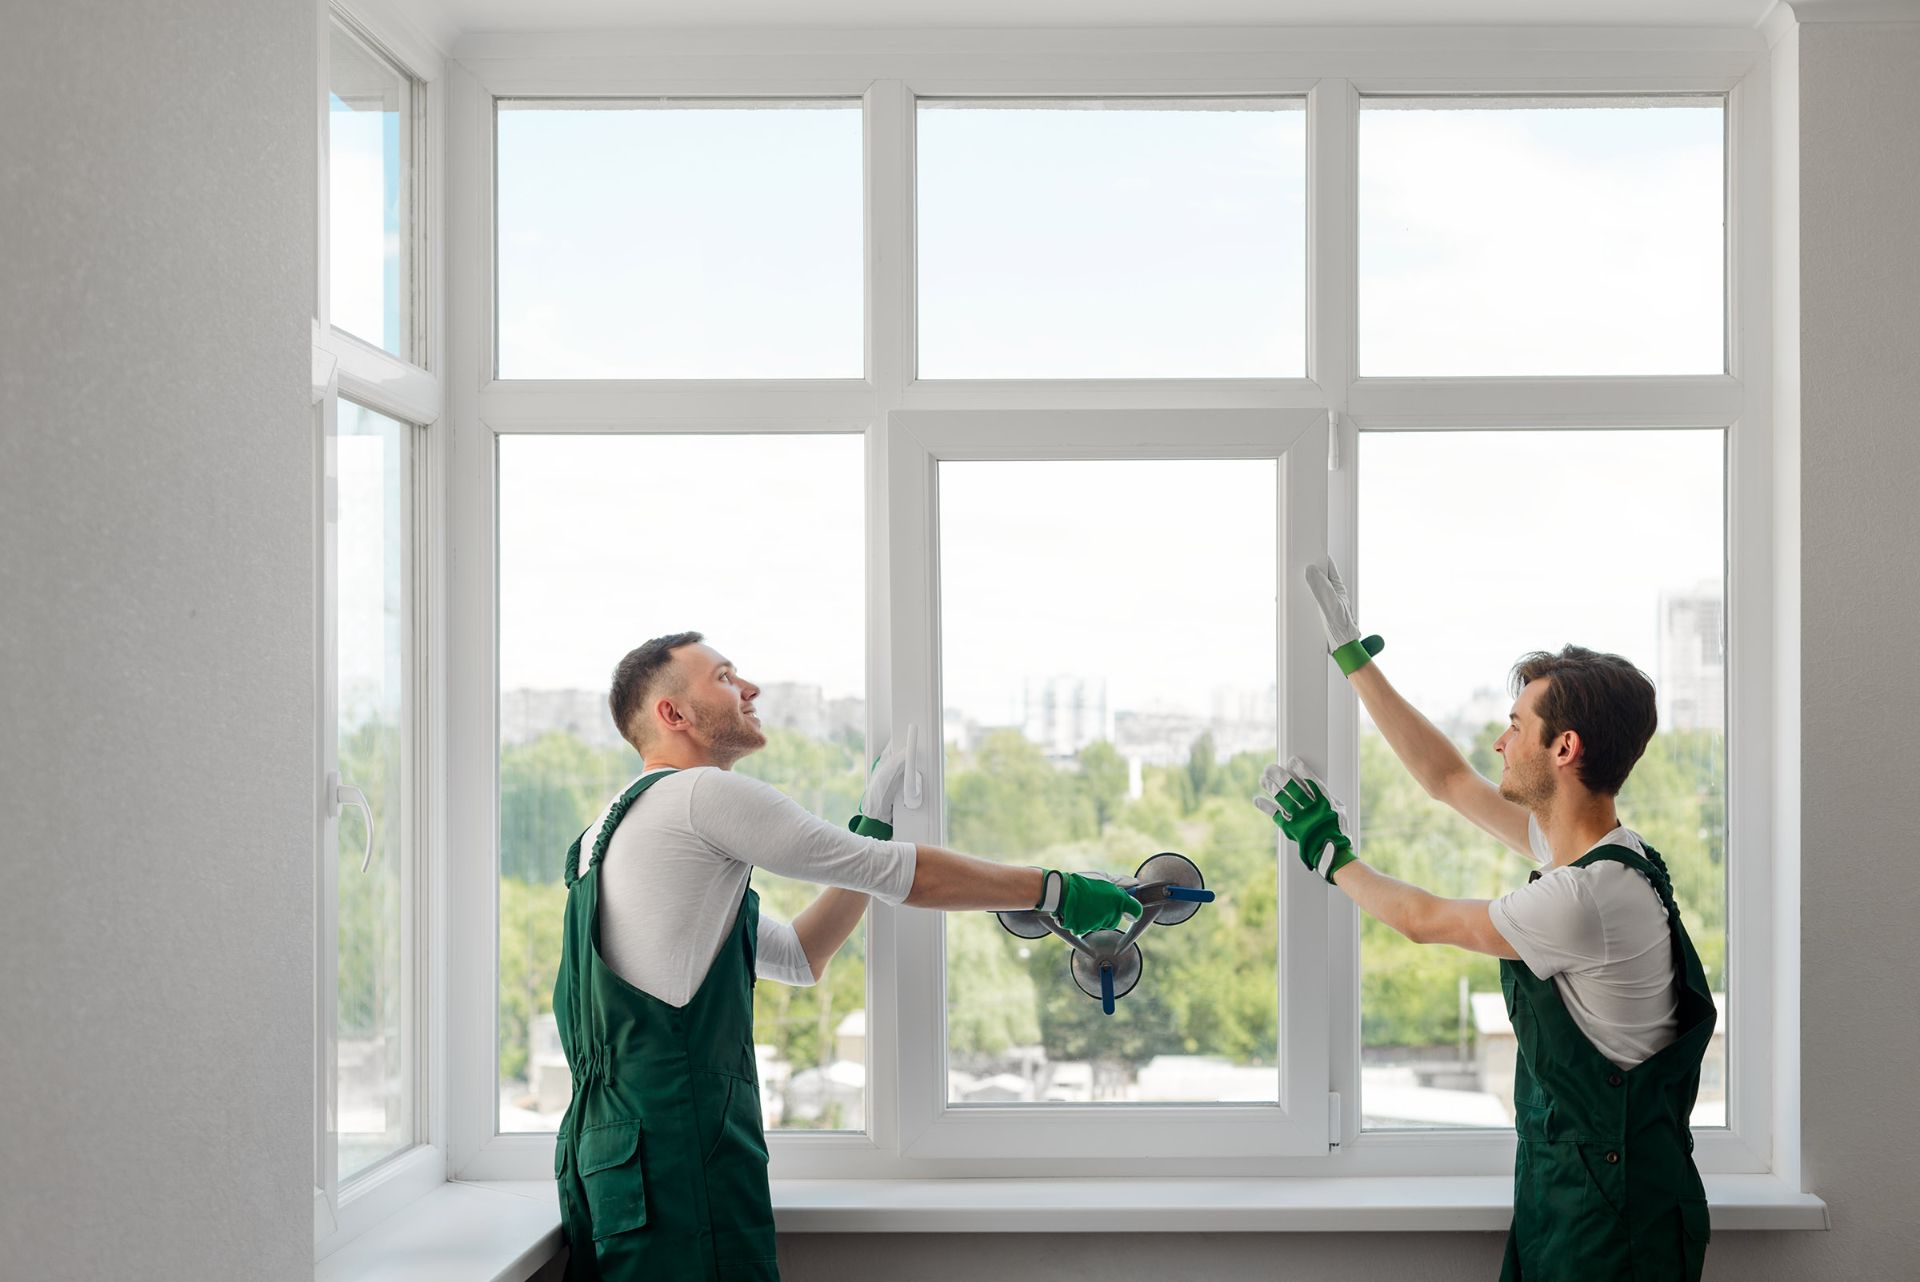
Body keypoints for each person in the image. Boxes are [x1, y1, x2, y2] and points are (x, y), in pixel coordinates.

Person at [551, 631, 1142, 1282]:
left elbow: (800, 955)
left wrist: (871, 823)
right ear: (673, 714)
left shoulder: (602, 837)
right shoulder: (701, 797)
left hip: (610, 1163)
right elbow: (907, 878)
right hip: (679, 1159)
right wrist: (1056, 890)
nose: (749, 689)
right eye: (723, 678)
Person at [1255, 562, 1715, 1282]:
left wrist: (1328, 852)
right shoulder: (1602, 857)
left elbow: (1420, 919)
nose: (1500, 743)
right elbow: (1449, 782)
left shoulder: (1585, 899)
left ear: (1564, 749)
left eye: (1516, 725)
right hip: (1573, 1200)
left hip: (1613, 1231)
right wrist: (1355, 660)